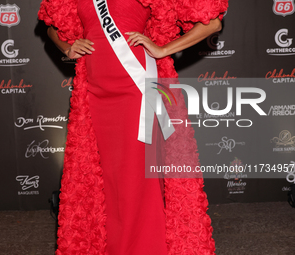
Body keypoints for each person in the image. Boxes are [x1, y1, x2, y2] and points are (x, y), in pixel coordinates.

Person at [38, 0, 228, 254]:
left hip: (137, 89)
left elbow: (212, 23)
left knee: (137, 182)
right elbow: (51, 26)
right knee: (106, 183)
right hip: (94, 94)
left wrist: (163, 50)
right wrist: (67, 47)